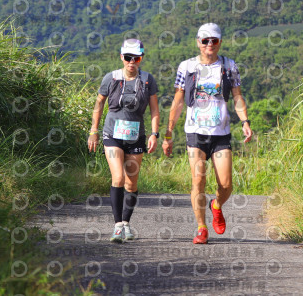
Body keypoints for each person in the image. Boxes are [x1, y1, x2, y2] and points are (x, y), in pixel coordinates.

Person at [162, 23, 253, 244]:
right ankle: (201, 228)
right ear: (198, 42)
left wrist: (245, 121)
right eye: (205, 41)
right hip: (195, 132)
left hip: (221, 133)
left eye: (214, 40)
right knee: (198, 179)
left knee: (226, 184)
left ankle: (216, 205)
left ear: (220, 42)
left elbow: (237, 96)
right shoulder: (187, 66)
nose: (209, 44)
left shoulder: (229, 66)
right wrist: (168, 133)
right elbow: (178, 101)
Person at [88, 39, 159, 242]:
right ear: (121, 57)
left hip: (136, 136)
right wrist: (93, 130)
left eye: (136, 58)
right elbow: (99, 104)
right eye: (128, 57)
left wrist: (154, 134)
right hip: (112, 134)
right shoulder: (111, 78)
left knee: (131, 182)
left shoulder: (147, 80)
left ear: (141, 58)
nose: (131, 62)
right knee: (118, 178)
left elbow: (154, 109)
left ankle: (126, 223)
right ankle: (117, 226)